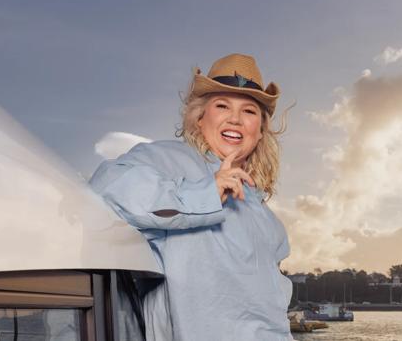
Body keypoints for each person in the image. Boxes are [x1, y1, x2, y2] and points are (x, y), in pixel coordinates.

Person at [89, 53, 293, 341]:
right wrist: (205, 194)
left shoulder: (267, 219)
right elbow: (107, 187)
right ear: (200, 118)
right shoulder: (165, 159)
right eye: (222, 106)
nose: (235, 118)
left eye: (249, 111)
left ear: (260, 131)